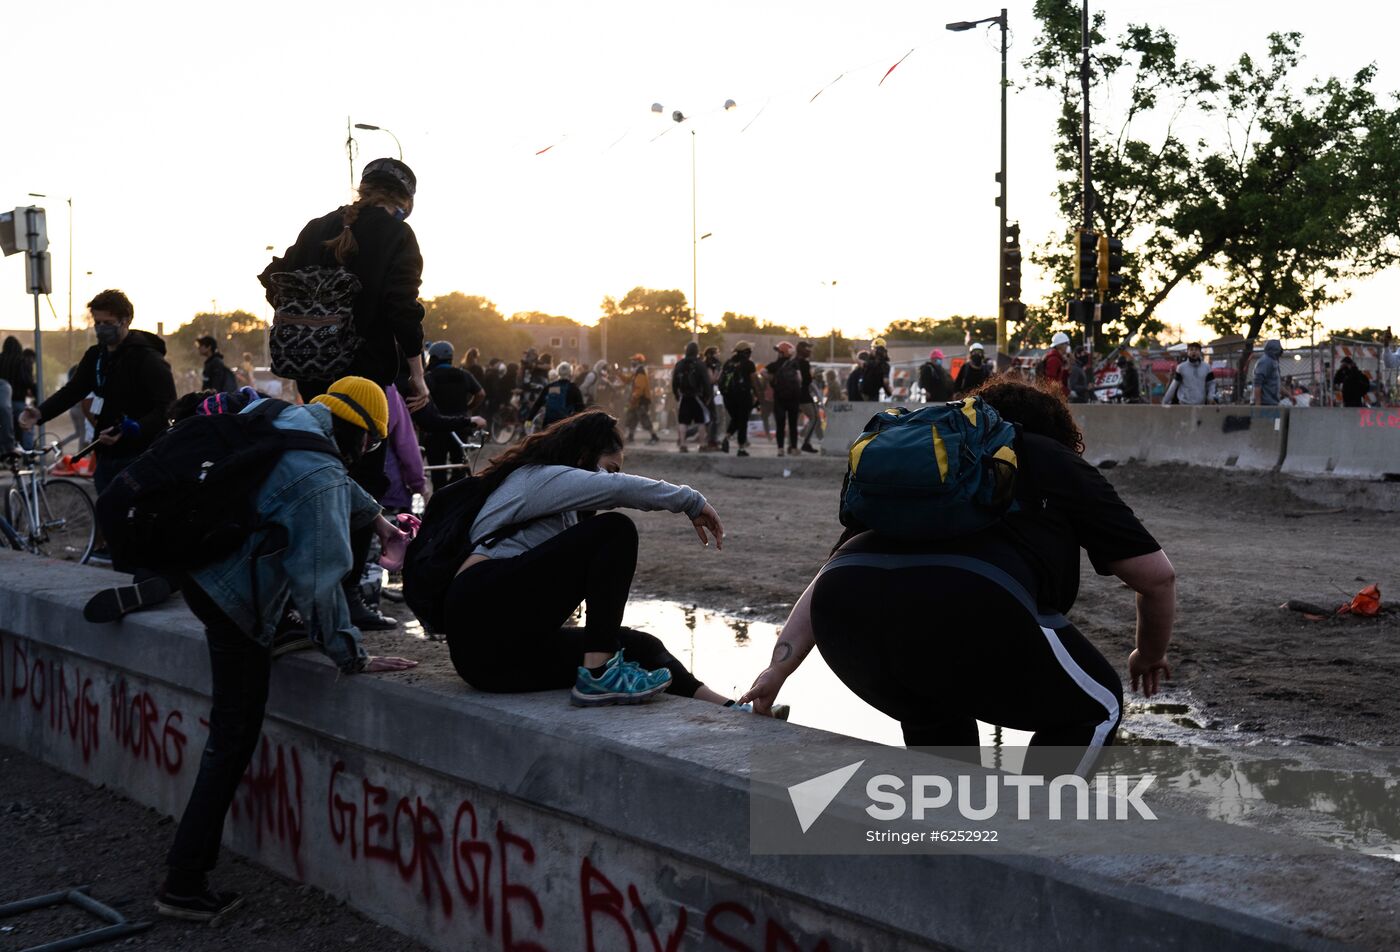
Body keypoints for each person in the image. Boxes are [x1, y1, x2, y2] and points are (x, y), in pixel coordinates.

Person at [740, 379, 1175, 774]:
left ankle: (951, 840)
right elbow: (1156, 578)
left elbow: (831, 574)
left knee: (933, 709)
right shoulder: (1049, 455)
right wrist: (1149, 655)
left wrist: (779, 669)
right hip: (972, 605)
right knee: (1095, 705)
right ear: (1058, 432)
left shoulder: (930, 466)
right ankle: (1032, 837)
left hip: (849, 614)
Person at [155, 376, 417, 922]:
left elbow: (334, 483)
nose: (366, 452)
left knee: (238, 706)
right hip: (232, 598)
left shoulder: (286, 419)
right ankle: (184, 881)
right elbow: (320, 583)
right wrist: (352, 656)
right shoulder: (321, 471)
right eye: (370, 442)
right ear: (360, 433)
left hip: (199, 572)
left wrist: (378, 518)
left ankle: (275, 636)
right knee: (232, 736)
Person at [445, 410, 750, 709]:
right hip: (480, 611)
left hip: (495, 665)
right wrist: (690, 500)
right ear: (583, 456)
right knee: (616, 531)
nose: (610, 477)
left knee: (637, 647)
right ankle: (599, 674)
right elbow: (615, 490)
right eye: (609, 467)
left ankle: (733, 710)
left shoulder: (562, 510)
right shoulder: (540, 478)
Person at [259, 157, 428, 632]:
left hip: (312, 373)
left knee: (313, 471)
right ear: (405, 201)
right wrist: (417, 374)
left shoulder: (317, 227)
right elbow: (402, 308)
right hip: (364, 379)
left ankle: (296, 595)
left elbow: (276, 283)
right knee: (362, 483)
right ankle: (348, 598)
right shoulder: (397, 235)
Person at [21, 290, 176, 494]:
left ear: (126, 320)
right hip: (105, 457)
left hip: (140, 457)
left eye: (108, 322)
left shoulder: (148, 359)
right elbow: (72, 391)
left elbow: (168, 406)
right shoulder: (95, 356)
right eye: (98, 322)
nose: (102, 328)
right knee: (107, 518)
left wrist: (135, 427)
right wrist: (40, 413)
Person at [423, 340, 485, 490]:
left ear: (433, 358)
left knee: (438, 468)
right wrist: (468, 408)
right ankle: (452, 490)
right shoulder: (464, 375)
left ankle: (440, 492)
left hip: (436, 428)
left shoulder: (429, 377)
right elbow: (481, 393)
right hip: (460, 426)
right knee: (460, 466)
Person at [382, 383, 427, 514]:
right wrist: (419, 485)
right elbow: (406, 446)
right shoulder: (389, 391)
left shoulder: (334, 382)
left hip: (343, 491)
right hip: (388, 489)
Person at [719, 342, 759, 457]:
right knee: (742, 421)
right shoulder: (749, 364)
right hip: (743, 396)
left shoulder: (728, 363)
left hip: (728, 397)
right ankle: (741, 448)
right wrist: (758, 396)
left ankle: (726, 438)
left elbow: (720, 379)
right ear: (746, 352)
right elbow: (754, 381)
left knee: (736, 419)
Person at [766, 342, 805, 457]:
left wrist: (773, 380)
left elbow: (763, 372)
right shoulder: (794, 364)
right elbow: (800, 379)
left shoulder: (775, 365)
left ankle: (780, 449)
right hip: (793, 398)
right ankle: (793, 448)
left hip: (779, 398)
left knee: (780, 424)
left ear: (782, 352)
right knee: (793, 425)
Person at [671, 342, 710, 453]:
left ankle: (683, 444)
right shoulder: (700, 364)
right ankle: (702, 445)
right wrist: (707, 396)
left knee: (683, 422)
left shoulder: (679, 364)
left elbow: (674, 382)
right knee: (700, 421)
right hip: (697, 397)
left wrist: (677, 395)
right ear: (697, 351)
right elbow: (706, 382)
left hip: (684, 397)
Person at [1, 336, 36, 452]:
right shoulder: (21, 361)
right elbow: (28, 381)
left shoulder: (0, 359)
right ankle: (27, 453)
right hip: (18, 401)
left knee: (5, 429)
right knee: (25, 426)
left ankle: (5, 453)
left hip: (2, 401)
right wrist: (36, 395)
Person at [527, 361, 586, 428]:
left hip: (548, 425)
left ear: (558, 372)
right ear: (570, 373)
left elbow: (538, 404)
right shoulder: (573, 388)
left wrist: (529, 419)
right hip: (565, 425)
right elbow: (580, 408)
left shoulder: (550, 387)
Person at [793, 341, 821, 453]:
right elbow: (807, 381)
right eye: (808, 348)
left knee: (792, 421)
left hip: (794, 395)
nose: (810, 351)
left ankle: (792, 445)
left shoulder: (793, 361)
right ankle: (806, 443)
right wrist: (813, 375)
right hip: (804, 395)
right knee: (814, 418)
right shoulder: (804, 363)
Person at [624, 354, 659, 444]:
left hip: (641, 400)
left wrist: (633, 398)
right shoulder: (636, 371)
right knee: (633, 418)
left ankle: (654, 437)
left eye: (633, 360)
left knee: (644, 419)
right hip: (637, 400)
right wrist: (618, 374)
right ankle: (630, 436)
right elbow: (627, 380)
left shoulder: (640, 372)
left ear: (638, 362)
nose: (632, 362)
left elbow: (639, 388)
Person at [702, 345, 723, 450]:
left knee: (710, 418)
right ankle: (711, 441)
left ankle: (710, 439)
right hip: (707, 395)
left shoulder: (709, 364)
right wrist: (718, 371)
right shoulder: (708, 365)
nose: (718, 354)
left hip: (710, 394)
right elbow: (712, 380)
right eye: (716, 352)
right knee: (713, 418)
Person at [1252, 340, 1283, 407]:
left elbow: (1277, 384)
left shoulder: (1274, 362)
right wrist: (1258, 404)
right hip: (1265, 403)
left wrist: (1289, 396)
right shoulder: (1265, 361)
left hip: (1272, 402)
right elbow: (1257, 383)